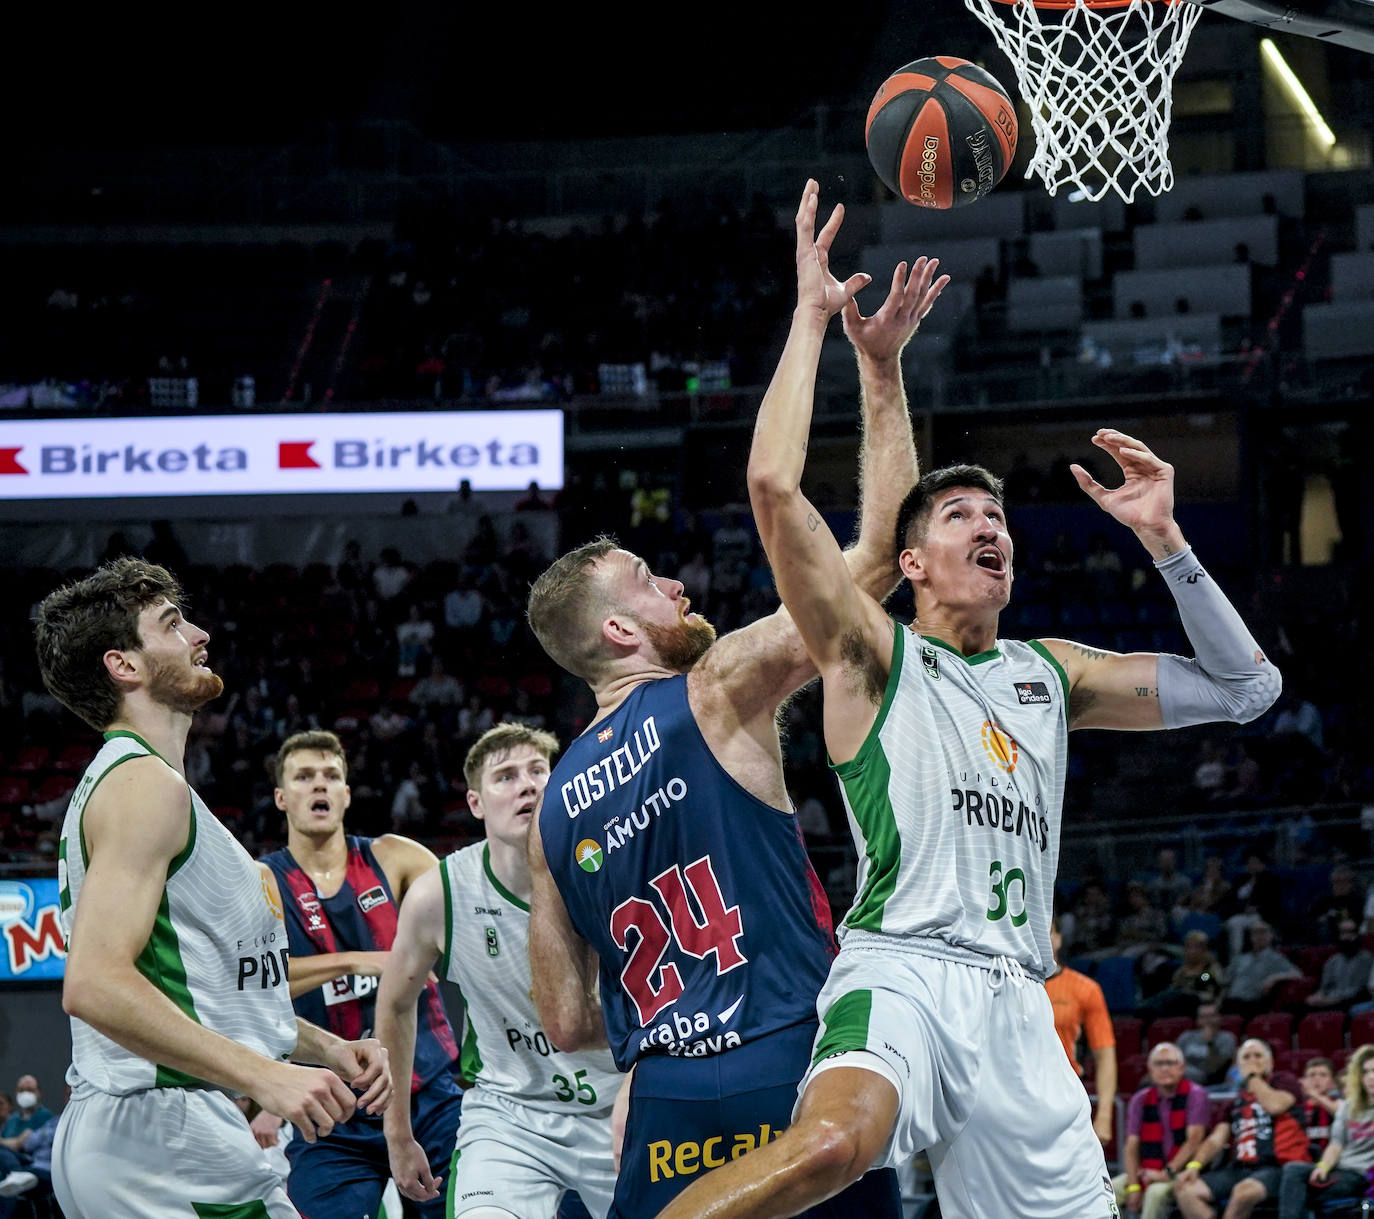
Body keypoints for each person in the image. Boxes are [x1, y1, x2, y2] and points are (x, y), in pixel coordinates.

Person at [658, 178, 1282, 1219]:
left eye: (997, 514)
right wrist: (819, 325)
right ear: (912, 561)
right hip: (902, 970)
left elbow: (1247, 687)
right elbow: (776, 490)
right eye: (960, 514)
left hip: (1017, 1004)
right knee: (826, 1147)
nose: (990, 525)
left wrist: (1167, 539)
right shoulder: (869, 653)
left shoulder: (1050, 672)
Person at [525, 181, 944, 1219]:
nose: (678, 586)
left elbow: (568, 1020)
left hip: (663, 1099)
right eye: (651, 582)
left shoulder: (550, 806)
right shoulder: (712, 690)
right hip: (787, 1060)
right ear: (621, 633)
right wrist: (865, 359)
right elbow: (884, 557)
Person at [33, 558, 392, 1218]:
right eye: (172, 623)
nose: (199, 633)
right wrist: (267, 1076)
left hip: (163, 1132)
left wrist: (326, 1048)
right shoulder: (145, 786)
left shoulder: (147, 786)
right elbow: (94, 983)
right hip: (161, 1134)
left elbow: (217, 996)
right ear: (125, 665)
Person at [376, 723, 621, 1218]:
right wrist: (398, 1133)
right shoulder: (440, 893)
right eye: (505, 777)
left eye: (538, 772)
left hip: (620, 1107)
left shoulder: (613, 868)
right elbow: (395, 1002)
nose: (527, 785)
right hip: (510, 1117)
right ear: (475, 804)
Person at [258, 730, 464, 1219]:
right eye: (304, 778)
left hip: (426, 1093)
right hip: (330, 1105)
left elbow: (471, 914)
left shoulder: (395, 856)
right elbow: (250, 982)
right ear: (281, 798)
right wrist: (360, 960)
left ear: (347, 794)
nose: (319, 787)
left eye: (331, 776)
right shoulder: (260, 881)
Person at [1172, 1039, 1307, 1219]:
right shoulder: (1233, 1102)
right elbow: (1216, 1140)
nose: (1252, 1061)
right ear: (1239, 1066)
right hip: (1239, 1169)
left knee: (1243, 1192)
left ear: (1270, 1062)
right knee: (1185, 1190)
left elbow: (1275, 1106)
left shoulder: (1284, 1081)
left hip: (1278, 1167)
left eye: (1258, 1056)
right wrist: (1194, 1165)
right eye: (1246, 1057)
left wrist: (1253, 1077)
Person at [1277, 1043, 1374, 1218]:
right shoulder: (1349, 1107)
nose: (1370, 1077)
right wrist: (1323, 1166)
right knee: (1293, 1170)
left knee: (1293, 1194)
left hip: (1364, 1175)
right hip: (1342, 1169)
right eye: (1365, 1072)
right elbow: (1336, 1144)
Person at [1114, 1042, 1209, 1219]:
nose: (1165, 1068)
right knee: (1107, 1193)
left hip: (1179, 1173)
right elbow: (1131, 1146)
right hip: (1146, 1171)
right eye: (1159, 1064)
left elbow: (1194, 1140)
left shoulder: (1196, 1094)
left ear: (1182, 1068)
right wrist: (1134, 1186)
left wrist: (1167, 1172)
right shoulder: (1140, 1099)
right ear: (1150, 1069)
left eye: (1170, 1063)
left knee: (1155, 1194)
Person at [1045, 922, 1117, 1146]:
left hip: (1065, 1096)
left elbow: (1105, 1056)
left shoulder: (1085, 989)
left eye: (1047, 932)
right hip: (1014, 1097)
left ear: (1058, 939)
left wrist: (1104, 1115)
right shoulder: (1005, 984)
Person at [1222, 923, 1302, 1022]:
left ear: (1271, 936)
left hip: (1252, 1004)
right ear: (1251, 937)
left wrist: (1274, 977)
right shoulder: (1240, 959)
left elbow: (1297, 974)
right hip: (1230, 1002)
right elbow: (1225, 980)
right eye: (1255, 933)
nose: (1259, 936)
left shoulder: (1276, 958)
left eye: (1263, 932)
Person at [1306, 919, 1373, 1008]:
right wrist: (1317, 996)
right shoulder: (1333, 960)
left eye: (1351, 932)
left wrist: (1330, 1001)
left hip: (1349, 1002)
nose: (1347, 936)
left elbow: (1358, 990)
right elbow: (1324, 987)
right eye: (1343, 932)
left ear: (1357, 935)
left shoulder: (1366, 958)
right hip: (1328, 1000)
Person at [1179, 1002, 1239, 1086]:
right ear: (1198, 1020)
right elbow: (1176, 1060)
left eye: (1212, 1016)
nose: (1208, 1020)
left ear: (1219, 1018)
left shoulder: (1227, 1038)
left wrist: (1209, 1042)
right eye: (1203, 1017)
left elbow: (1214, 1068)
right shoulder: (1186, 1037)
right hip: (1184, 1079)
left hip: (1212, 1080)